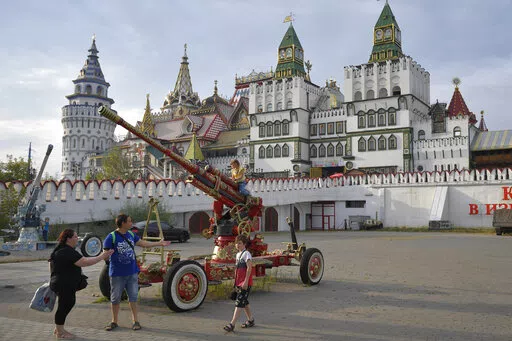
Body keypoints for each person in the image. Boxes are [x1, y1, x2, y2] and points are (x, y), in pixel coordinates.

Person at [103, 214, 171, 331]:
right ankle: (114, 321)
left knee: (133, 298)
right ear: (123, 223)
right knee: (115, 298)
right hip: (117, 274)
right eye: (129, 221)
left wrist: (159, 243)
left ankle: (135, 321)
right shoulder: (111, 237)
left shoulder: (131, 234)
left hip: (132, 273)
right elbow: (105, 255)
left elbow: (143, 244)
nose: (131, 223)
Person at [49, 229, 114, 339]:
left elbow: (51, 263)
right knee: (65, 306)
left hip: (63, 283)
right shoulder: (66, 251)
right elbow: (85, 262)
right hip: (64, 284)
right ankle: (60, 332)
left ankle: (59, 329)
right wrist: (102, 256)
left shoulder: (61, 249)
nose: (77, 238)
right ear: (68, 239)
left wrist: (54, 276)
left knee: (65, 304)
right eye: (75, 236)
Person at [224, 234, 255, 332]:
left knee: (239, 303)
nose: (237, 245)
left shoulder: (247, 254)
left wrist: (245, 281)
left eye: (240, 243)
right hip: (239, 283)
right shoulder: (238, 255)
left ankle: (232, 324)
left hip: (245, 283)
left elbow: (249, 268)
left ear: (244, 244)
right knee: (244, 302)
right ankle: (250, 320)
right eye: (236, 243)